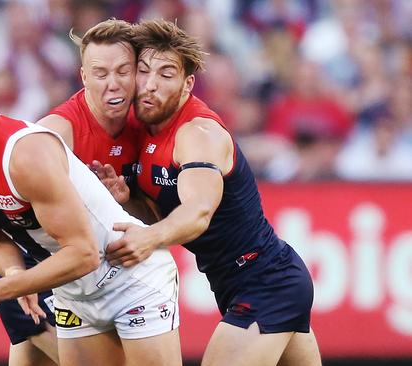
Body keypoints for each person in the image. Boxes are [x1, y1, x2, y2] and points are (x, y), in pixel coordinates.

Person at [0, 49, 182, 366]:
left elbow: (84, 253)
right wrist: (12, 269)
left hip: (130, 277)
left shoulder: (25, 154)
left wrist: (6, 287)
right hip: (72, 291)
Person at [102, 20, 322, 365]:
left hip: (266, 282)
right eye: (143, 71)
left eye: (166, 74)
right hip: (244, 282)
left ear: (188, 84)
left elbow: (199, 212)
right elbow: (164, 214)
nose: (150, 85)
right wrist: (128, 200)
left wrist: (148, 239)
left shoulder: (198, 133)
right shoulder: (144, 131)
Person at [0, 19, 145, 365]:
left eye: (123, 72)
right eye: (100, 74)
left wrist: (125, 203)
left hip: (88, 270)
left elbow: (143, 225)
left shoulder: (142, 126)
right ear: (84, 78)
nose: (113, 84)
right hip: (41, 269)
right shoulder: (57, 131)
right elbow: (1, 201)